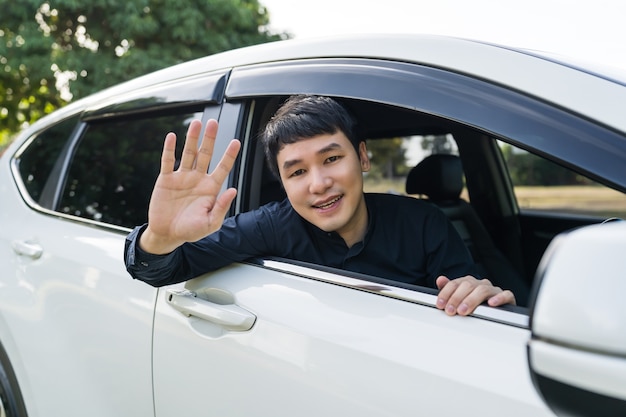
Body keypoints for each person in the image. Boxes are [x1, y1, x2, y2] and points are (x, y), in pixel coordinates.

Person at [124, 95, 516, 316]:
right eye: (296, 173)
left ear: (362, 157)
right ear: (283, 184)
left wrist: (479, 295)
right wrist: (160, 236)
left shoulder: (424, 223)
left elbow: (470, 300)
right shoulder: (270, 225)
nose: (318, 184)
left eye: (331, 159)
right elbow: (162, 269)